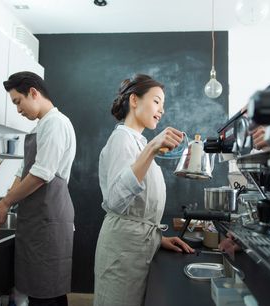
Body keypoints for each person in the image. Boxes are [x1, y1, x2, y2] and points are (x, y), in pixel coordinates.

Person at [94, 74, 194, 306]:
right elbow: (117, 201)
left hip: (139, 245)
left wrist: (158, 238)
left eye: (163, 105)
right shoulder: (122, 140)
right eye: (157, 101)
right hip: (122, 251)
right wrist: (151, 148)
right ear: (134, 100)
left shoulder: (137, 141)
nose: (161, 110)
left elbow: (139, 205)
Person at [0, 71, 76, 306]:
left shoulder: (55, 123)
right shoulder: (39, 127)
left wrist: (6, 203)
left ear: (33, 93)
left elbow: (41, 174)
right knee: (43, 290)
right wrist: (4, 205)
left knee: (46, 292)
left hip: (48, 217)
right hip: (37, 219)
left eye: (18, 102)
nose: (18, 110)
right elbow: (22, 172)